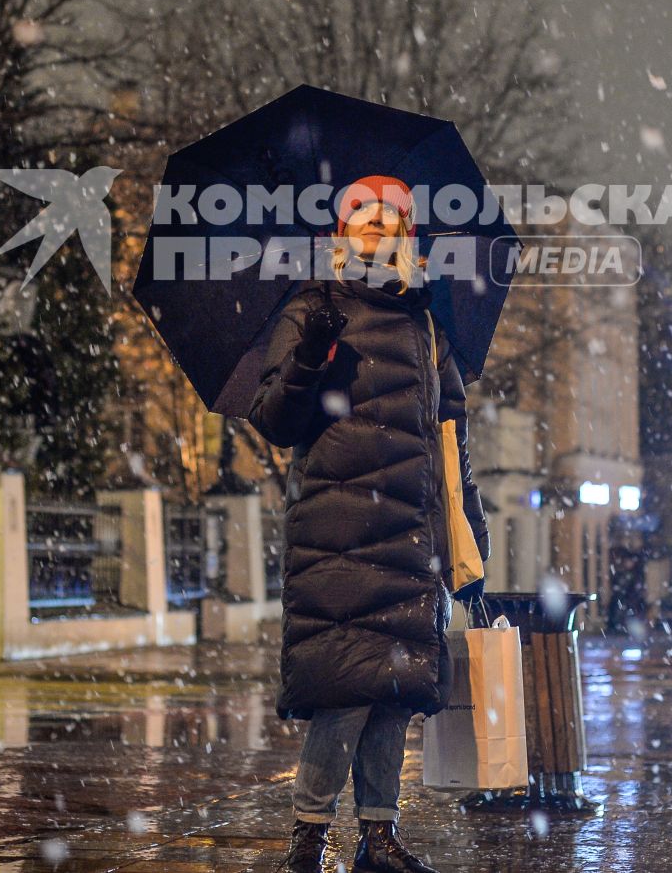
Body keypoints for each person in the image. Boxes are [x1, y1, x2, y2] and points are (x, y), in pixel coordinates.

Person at [248, 175, 490, 873]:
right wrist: (310, 357)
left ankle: (378, 835)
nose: (377, 234)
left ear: (407, 237)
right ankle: (309, 833)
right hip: (340, 533)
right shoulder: (314, 308)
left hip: (413, 532)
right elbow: (275, 419)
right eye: (365, 223)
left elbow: (452, 439)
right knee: (346, 692)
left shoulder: (425, 326)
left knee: (396, 690)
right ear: (341, 236)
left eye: (390, 224)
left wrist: (469, 527)